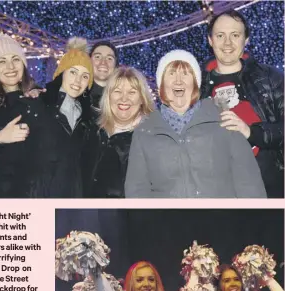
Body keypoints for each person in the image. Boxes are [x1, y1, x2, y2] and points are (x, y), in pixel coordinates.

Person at [125, 50, 267, 198]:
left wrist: (254, 217)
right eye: (171, 74)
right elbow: (137, 189)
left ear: (195, 83)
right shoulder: (144, 131)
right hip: (167, 220)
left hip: (222, 219)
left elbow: (248, 180)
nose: (178, 81)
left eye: (186, 74)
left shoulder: (224, 119)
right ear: (161, 84)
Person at [201, 10, 284, 198]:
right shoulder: (196, 84)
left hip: (268, 191)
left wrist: (251, 132)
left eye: (235, 35)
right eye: (220, 35)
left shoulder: (270, 78)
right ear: (210, 40)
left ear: (246, 40)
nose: (227, 43)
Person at [0, 33, 56, 198]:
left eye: (15, 59)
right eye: (1, 61)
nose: (10, 66)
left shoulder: (39, 99)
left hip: (40, 197)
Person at [39, 37, 95, 197]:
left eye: (85, 76)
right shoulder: (39, 105)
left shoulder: (88, 119)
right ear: (61, 73)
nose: (78, 80)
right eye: (73, 72)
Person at [87, 67, 155, 198]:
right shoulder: (93, 132)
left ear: (142, 98)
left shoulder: (151, 139)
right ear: (108, 96)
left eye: (132, 92)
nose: (124, 99)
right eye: (117, 91)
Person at [89, 41, 119, 110]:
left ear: (116, 66)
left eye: (109, 58)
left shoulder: (124, 99)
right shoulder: (75, 94)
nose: (103, 62)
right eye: (97, 57)